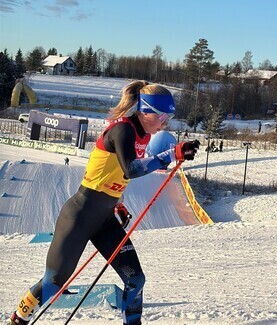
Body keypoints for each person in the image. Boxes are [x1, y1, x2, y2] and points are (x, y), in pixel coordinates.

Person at [9, 80, 200, 325]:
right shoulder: (123, 130)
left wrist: (117, 200)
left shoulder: (141, 135)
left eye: (169, 117)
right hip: (80, 214)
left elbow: (113, 173)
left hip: (104, 218)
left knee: (136, 280)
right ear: (145, 111)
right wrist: (171, 154)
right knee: (54, 282)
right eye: (163, 116)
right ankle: (18, 319)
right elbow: (130, 169)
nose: (166, 123)